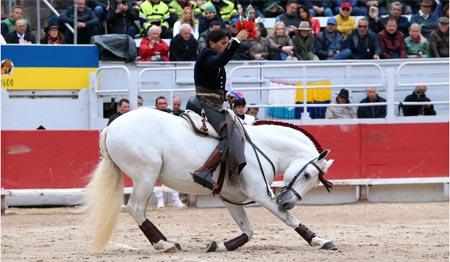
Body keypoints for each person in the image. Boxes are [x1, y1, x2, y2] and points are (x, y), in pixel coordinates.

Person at [191, 28, 248, 191]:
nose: (225, 46)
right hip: (205, 103)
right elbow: (220, 61)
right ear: (212, 43)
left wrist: (225, 94)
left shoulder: (211, 57)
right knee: (228, 134)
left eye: (227, 43)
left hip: (213, 102)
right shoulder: (206, 55)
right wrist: (236, 41)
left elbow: (214, 86)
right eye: (223, 43)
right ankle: (204, 171)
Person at [154, 95, 186, 208]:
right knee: (156, 174)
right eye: (160, 103)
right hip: (156, 149)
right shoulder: (152, 117)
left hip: (171, 149)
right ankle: (160, 200)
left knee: (173, 173)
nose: (163, 105)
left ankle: (176, 199)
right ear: (156, 106)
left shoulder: (172, 115)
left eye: (164, 103)